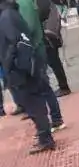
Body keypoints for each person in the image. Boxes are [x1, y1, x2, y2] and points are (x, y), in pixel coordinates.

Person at [0, 0, 59, 152]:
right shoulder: (10, 13)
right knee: (33, 102)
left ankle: (45, 138)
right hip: (25, 67)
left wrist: (9, 65)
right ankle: (44, 135)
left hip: (21, 69)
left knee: (33, 104)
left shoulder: (6, 16)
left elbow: (16, 43)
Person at [17, 0, 66, 129]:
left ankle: (53, 120)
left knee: (42, 87)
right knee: (43, 87)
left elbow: (29, 27)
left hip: (34, 49)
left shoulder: (24, 3)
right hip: (36, 47)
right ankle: (54, 119)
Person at [41, 0, 71, 95]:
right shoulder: (49, 3)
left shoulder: (42, 3)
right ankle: (63, 85)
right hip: (52, 35)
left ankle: (64, 86)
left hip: (48, 36)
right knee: (55, 62)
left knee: (54, 62)